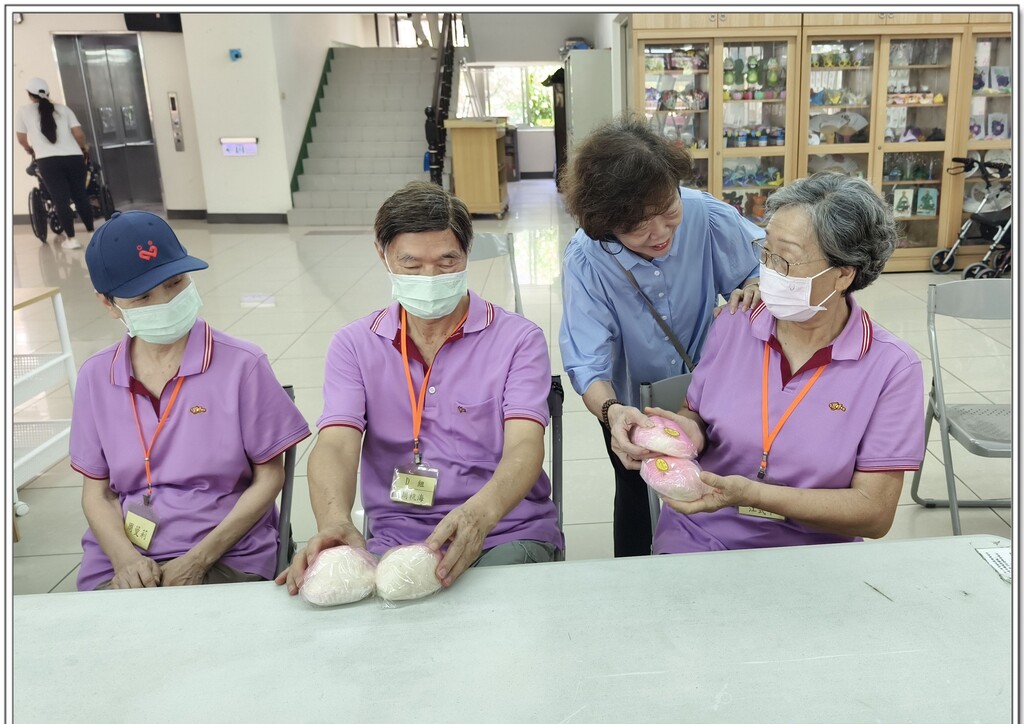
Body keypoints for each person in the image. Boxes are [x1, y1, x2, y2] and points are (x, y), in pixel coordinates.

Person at [277, 181, 562, 596]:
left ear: (467, 253)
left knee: (501, 615)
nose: (430, 277)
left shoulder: (518, 340)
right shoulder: (355, 345)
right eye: (411, 265)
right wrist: (335, 522)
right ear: (383, 255)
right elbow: (336, 444)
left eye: (447, 262)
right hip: (397, 537)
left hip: (503, 529)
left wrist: (479, 517)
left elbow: (525, 444)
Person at [649, 172, 925, 553]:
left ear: (843, 274)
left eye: (786, 260)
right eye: (765, 252)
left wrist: (753, 494)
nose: (768, 270)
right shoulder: (735, 322)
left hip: (814, 549)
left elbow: (874, 513)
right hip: (702, 532)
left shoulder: (892, 369)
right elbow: (695, 413)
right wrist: (683, 433)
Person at [70, 211, 311, 590]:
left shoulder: (242, 364)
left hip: (227, 551)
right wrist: (125, 559)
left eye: (175, 283)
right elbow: (96, 493)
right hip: (124, 553)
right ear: (109, 304)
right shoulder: (96, 376)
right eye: (144, 296)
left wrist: (199, 559)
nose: (166, 301)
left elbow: (270, 476)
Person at [558, 114, 763, 557]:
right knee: (635, 493)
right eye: (637, 225)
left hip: (711, 393)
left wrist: (753, 289)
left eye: (668, 210)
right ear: (606, 224)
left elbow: (754, 271)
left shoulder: (705, 215)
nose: (660, 233)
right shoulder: (587, 259)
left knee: (716, 486)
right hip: (632, 405)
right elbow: (587, 363)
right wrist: (613, 412)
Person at [15, 77, 94, 250]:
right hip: (74, 158)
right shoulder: (64, 109)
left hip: (48, 161)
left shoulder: (23, 111)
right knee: (80, 196)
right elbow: (79, 134)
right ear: (48, 93)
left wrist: (29, 149)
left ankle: (72, 239)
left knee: (60, 199)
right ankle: (92, 234)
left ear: (29, 95)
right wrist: (83, 147)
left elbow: (21, 138)